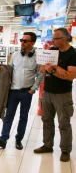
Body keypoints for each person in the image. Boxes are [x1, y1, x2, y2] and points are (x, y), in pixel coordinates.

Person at [0, 32, 44, 150]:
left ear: (33, 43)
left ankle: (18, 139)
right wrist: (0, 70)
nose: (22, 43)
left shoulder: (38, 57)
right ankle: (3, 139)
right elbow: (9, 71)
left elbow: (40, 75)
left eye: (25, 41)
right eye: (21, 40)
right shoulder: (15, 55)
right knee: (9, 115)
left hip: (27, 92)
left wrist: (33, 89)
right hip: (13, 91)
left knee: (23, 116)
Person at [34, 28, 76, 162]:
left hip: (63, 95)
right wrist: (54, 69)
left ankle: (65, 150)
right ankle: (47, 145)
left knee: (64, 123)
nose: (52, 41)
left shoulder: (73, 54)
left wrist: (53, 69)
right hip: (47, 92)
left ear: (63, 39)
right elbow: (41, 68)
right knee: (46, 120)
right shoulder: (52, 51)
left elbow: (70, 76)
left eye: (55, 39)